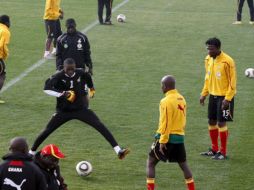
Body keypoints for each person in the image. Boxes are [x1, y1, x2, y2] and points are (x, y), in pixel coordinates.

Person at [29, 58, 129, 160]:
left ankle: (118, 150)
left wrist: (91, 88)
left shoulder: (80, 72)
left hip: (80, 109)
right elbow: (46, 89)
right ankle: (31, 152)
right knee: (48, 130)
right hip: (63, 111)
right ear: (64, 68)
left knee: (99, 125)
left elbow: (88, 77)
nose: (71, 71)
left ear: (75, 67)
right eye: (68, 69)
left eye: (72, 69)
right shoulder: (58, 76)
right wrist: (63, 94)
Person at [146, 75, 195, 190]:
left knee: (151, 163)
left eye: (161, 85)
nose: (161, 88)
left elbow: (166, 123)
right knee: (184, 165)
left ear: (165, 86)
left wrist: (162, 141)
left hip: (166, 138)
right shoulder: (181, 99)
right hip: (179, 138)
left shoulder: (165, 101)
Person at [200, 37, 237, 160]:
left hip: (225, 97)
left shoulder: (228, 61)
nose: (208, 51)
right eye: (207, 48)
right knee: (211, 121)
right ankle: (214, 149)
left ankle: (223, 152)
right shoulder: (208, 59)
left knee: (222, 122)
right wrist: (204, 93)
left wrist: (228, 99)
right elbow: (207, 78)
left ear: (218, 48)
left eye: (211, 49)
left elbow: (233, 82)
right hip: (213, 95)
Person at [0, 15, 11, 104]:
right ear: (6, 22)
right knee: (2, 75)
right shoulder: (5, 31)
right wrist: (6, 54)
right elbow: (2, 45)